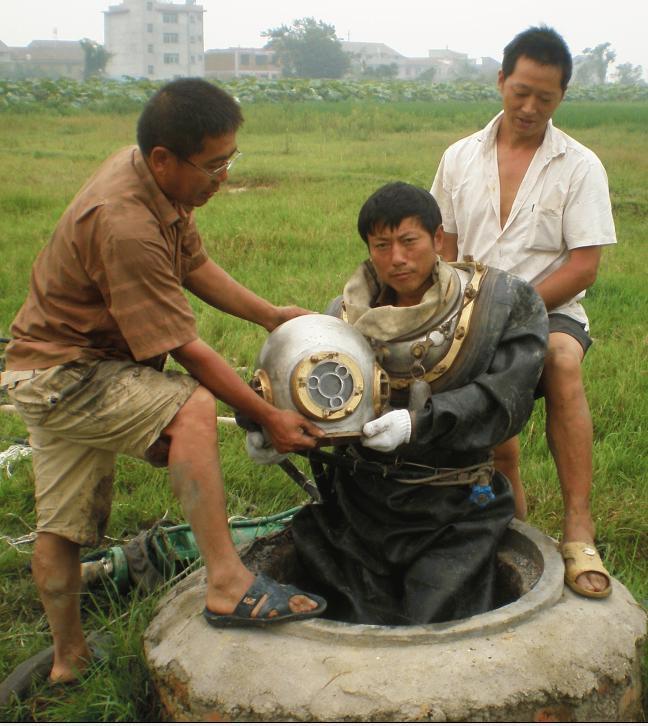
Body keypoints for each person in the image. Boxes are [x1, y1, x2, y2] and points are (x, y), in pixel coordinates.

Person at [1, 78, 327, 686]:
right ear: (163, 159)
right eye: (214, 163)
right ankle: (228, 583)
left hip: (47, 365)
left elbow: (194, 264)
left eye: (231, 158)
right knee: (191, 409)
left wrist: (269, 314)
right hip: (70, 374)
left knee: (62, 525)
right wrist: (268, 413)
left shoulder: (156, 183)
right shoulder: (124, 223)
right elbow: (187, 350)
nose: (223, 175)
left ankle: (68, 661)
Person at [248, 182, 548, 624]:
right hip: (360, 504)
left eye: (409, 242)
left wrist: (418, 424)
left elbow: (506, 396)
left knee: (437, 614)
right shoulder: (341, 319)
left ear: (438, 240)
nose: (397, 258)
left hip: (453, 508)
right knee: (340, 606)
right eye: (381, 245)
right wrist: (265, 425)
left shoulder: (497, 306)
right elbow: (307, 395)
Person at [430, 27, 616, 599]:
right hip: (469, 310)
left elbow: (584, 266)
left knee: (560, 359)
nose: (530, 107)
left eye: (546, 98)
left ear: (562, 97)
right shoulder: (459, 157)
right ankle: (505, 520)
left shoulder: (579, 166)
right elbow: (443, 245)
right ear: (501, 81)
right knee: (469, 400)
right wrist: (457, 314)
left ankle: (579, 528)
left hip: (552, 309)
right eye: (521, 92)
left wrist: (517, 310)